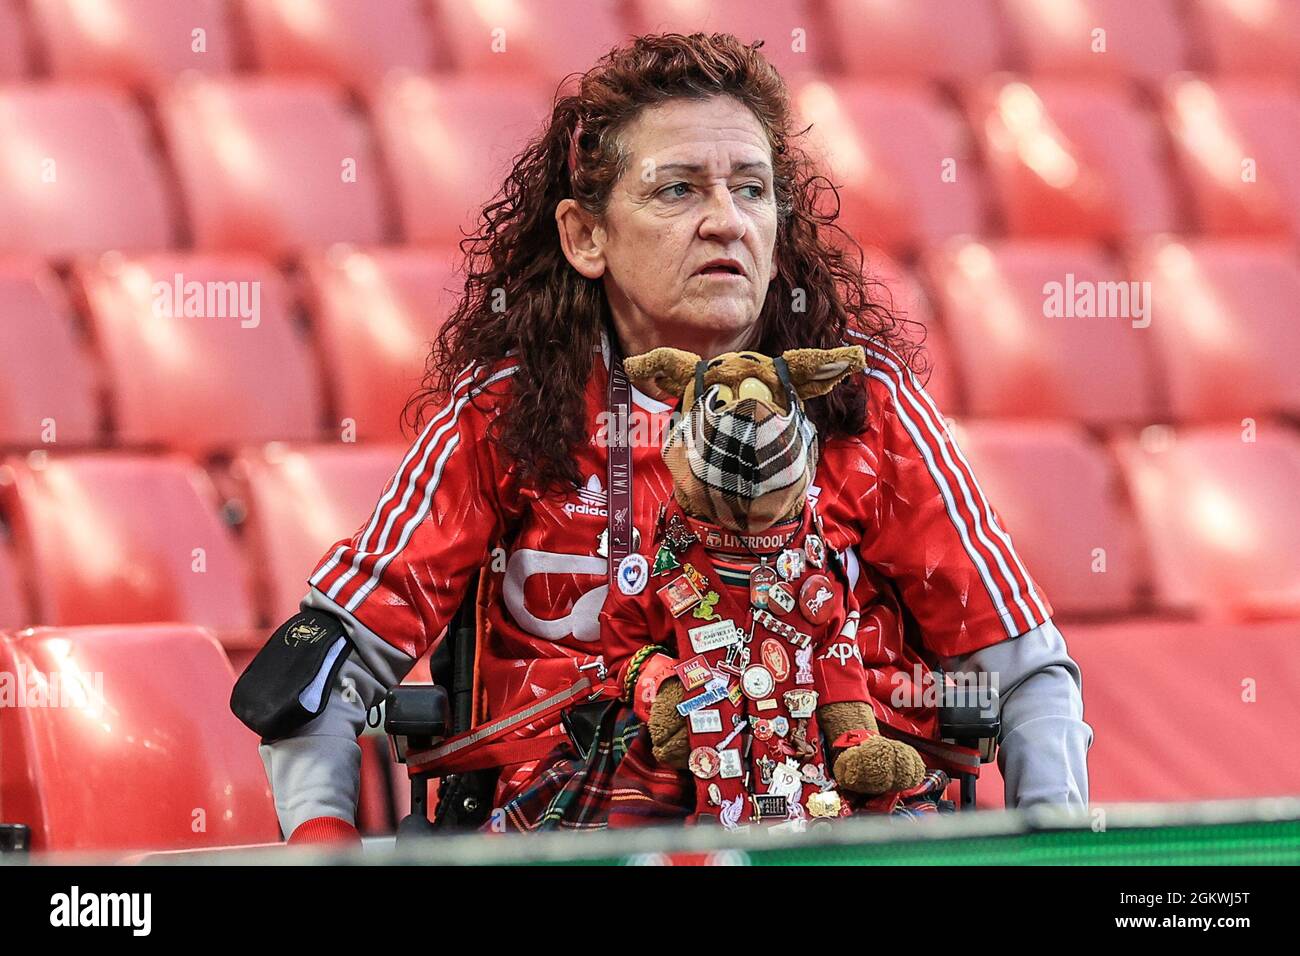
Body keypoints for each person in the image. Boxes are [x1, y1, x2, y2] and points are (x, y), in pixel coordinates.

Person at [232, 33, 1092, 843]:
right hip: (574, 841)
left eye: (752, 189)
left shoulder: (863, 406)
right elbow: (317, 672)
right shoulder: (505, 414)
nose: (728, 220)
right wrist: (324, 846)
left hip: (840, 835)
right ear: (586, 235)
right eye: (679, 188)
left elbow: (1025, 674)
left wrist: (1056, 861)